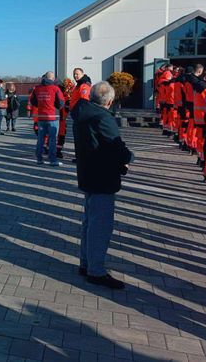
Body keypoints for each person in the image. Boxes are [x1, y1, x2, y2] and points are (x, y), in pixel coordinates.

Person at [72, 81, 133, 289]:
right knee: (100, 225)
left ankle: (86, 263)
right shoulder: (103, 117)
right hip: (103, 176)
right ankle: (95, 271)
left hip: (89, 173)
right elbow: (115, 145)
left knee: (90, 222)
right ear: (109, 101)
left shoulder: (82, 113)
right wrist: (128, 157)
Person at [31, 72, 65, 166]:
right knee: (52, 139)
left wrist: (41, 106)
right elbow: (61, 103)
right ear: (53, 79)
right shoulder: (55, 88)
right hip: (53, 117)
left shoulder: (37, 88)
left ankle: (39, 159)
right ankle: (53, 160)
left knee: (41, 139)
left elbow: (33, 101)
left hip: (41, 117)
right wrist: (54, 107)